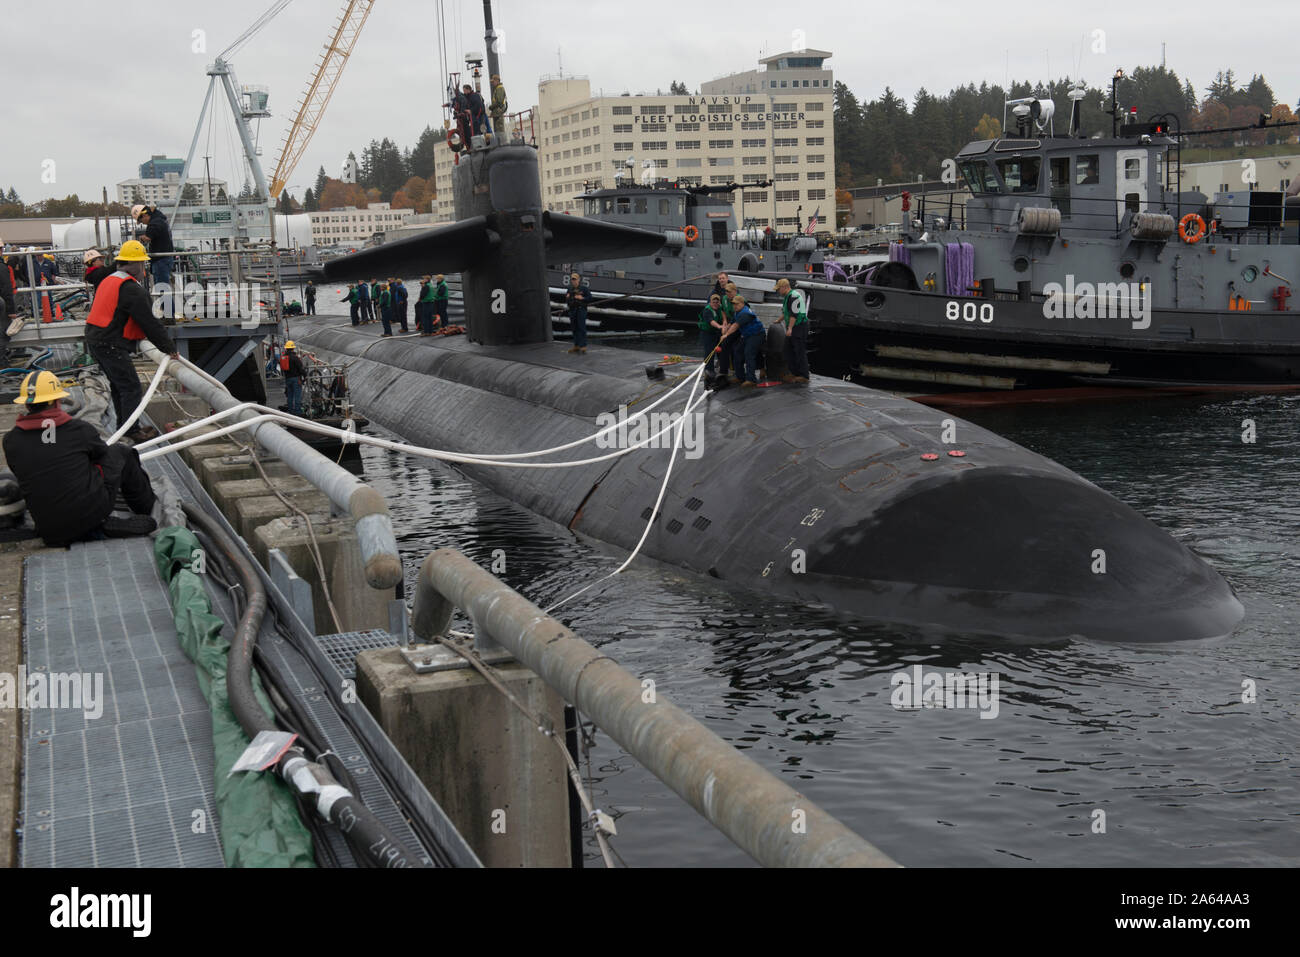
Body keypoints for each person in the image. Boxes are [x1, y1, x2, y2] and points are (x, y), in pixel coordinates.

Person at [3, 370, 158, 546]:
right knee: (121, 452)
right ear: (57, 401)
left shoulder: (11, 440)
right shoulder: (78, 429)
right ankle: (149, 508)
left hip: (49, 530)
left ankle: (74, 522)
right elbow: (102, 456)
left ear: (27, 405)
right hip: (90, 516)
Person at [83, 240, 179, 441]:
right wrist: (169, 348)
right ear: (135, 265)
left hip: (97, 338)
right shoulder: (131, 289)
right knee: (131, 387)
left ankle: (125, 426)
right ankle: (130, 430)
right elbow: (149, 323)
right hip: (109, 343)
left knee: (119, 386)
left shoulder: (110, 279)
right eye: (143, 264)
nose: (144, 269)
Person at [132, 204, 174, 318]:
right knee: (162, 287)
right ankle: (168, 314)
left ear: (145, 215)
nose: (143, 223)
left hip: (161, 260)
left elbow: (149, 237)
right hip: (163, 259)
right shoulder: (160, 219)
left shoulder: (155, 223)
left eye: (141, 220)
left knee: (162, 287)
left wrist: (141, 238)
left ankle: (169, 315)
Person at [775, 278, 810, 383]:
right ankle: (794, 372)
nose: (778, 291)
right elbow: (787, 312)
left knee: (799, 351)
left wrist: (789, 328)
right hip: (794, 326)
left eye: (779, 289)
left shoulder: (794, 297)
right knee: (788, 350)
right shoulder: (787, 297)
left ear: (785, 287)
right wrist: (779, 320)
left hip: (799, 326)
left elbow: (794, 315)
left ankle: (804, 375)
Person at [731, 295, 765, 386]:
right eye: (733, 304)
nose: (735, 306)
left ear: (742, 304)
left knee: (749, 353)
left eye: (737, 304)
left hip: (757, 335)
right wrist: (724, 329)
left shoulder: (745, 313)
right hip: (747, 335)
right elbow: (731, 323)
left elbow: (735, 326)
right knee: (737, 351)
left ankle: (751, 379)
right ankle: (740, 377)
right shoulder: (737, 312)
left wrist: (726, 335)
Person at [698, 293, 725, 370]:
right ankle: (708, 370)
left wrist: (724, 325)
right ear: (710, 302)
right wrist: (719, 326)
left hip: (717, 332)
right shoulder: (707, 310)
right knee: (710, 351)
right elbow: (711, 321)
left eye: (717, 302)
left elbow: (724, 317)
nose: (715, 304)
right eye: (713, 302)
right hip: (707, 333)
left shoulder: (721, 308)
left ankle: (722, 366)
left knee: (722, 349)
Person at [566, 272, 590, 353]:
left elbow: (590, 298)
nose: (573, 281)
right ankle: (576, 345)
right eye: (572, 279)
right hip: (572, 310)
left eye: (575, 279)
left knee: (581, 327)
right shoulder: (569, 288)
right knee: (574, 328)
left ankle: (583, 346)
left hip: (581, 310)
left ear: (578, 280)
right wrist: (568, 298)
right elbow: (567, 300)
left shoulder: (584, 289)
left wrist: (582, 298)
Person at [282, 340, 305, 416]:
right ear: (293, 348)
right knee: (297, 395)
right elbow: (301, 369)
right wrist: (305, 376)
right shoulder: (295, 358)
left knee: (290, 396)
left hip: (288, 379)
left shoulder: (284, 357)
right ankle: (298, 412)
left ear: (286, 348)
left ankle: (291, 411)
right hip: (296, 379)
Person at [489, 74, 508, 139]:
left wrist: (491, 107)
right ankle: (500, 141)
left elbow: (499, 101)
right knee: (498, 129)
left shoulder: (499, 88)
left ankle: (502, 141)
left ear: (497, 81)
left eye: (493, 81)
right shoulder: (497, 88)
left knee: (500, 128)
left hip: (499, 112)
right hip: (497, 112)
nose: (492, 83)